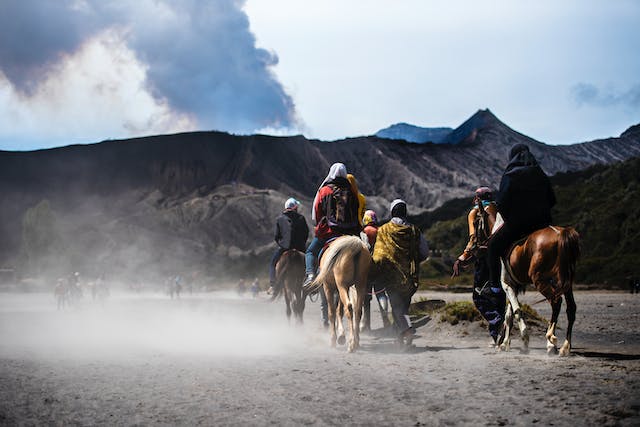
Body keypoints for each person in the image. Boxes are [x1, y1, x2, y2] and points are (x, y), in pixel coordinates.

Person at [487, 144, 556, 301]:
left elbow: (502, 202)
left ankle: (494, 287)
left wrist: (511, 216)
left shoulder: (510, 175)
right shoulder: (540, 173)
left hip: (518, 225)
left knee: (493, 247)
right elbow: (552, 200)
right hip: (542, 224)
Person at [452, 187, 505, 345]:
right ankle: (498, 334)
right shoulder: (498, 209)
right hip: (502, 257)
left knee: (478, 296)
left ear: (477, 198)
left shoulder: (475, 212)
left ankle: (496, 323)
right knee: (499, 294)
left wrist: (462, 258)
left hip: (484, 259)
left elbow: (473, 239)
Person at [372, 199, 429, 347]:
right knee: (404, 307)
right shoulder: (415, 230)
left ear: (392, 212)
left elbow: (378, 256)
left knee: (396, 308)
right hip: (410, 277)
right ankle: (401, 341)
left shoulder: (383, 230)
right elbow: (424, 252)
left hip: (391, 277)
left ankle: (408, 332)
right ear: (405, 212)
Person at [303, 162, 360, 288]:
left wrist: (318, 225)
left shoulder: (324, 190)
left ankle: (311, 275)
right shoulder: (351, 191)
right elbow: (356, 210)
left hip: (329, 232)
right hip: (350, 233)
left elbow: (317, 212)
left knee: (310, 252)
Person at [269, 197, 309, 294]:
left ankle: (273, 285)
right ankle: (310, 282)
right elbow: (306, 233)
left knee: (273, 264)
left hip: (284, 248)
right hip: (300, 248)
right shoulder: (301, 218)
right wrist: (301, 244)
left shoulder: (279, 219)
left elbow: (276, 236)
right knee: (310, 262)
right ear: (295, 207)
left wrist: (282, 244)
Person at [361, 210, 390, 331]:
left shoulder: (363, 232)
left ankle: (366, 324)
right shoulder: (380, 231)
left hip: (366, 269)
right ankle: (386, 320)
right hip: (379, 268)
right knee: (381, 294)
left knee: (366, 298)